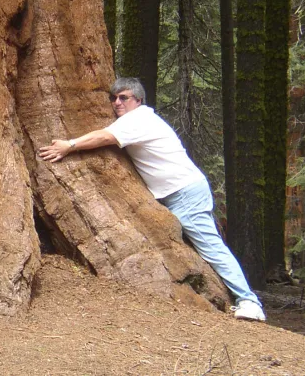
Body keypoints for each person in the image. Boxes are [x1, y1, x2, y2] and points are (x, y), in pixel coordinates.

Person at [38, 77, 265, 322]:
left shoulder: (139, 120)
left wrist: (69, 145)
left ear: (138, 100)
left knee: (211, 248)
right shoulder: (136, 120)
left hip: (184, 192)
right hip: (178, 192)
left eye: (123, 97)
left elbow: (104, 137)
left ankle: (249, 301)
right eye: (113, 98)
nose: (117, 103)